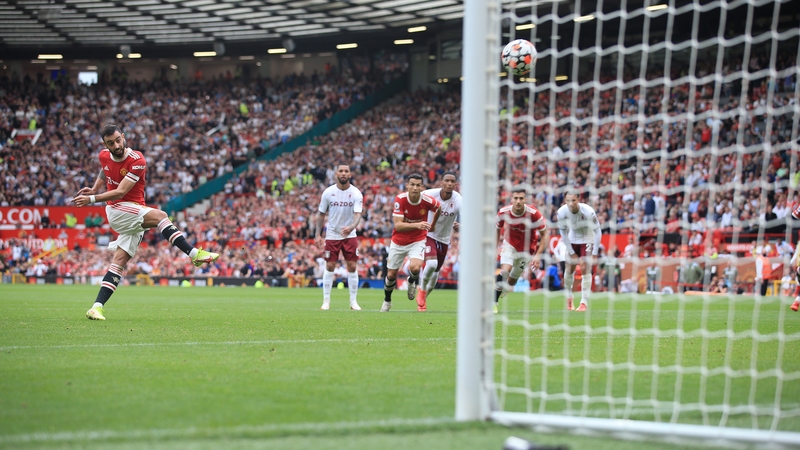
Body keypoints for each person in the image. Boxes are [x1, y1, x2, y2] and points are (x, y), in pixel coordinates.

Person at [72, 124, 219, 321]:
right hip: (117, 210)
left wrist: (93, 195)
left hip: (131, 211)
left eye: (118, 140)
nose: (116, 145)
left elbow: (120, 189)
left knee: (119, 262)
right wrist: (94, 189)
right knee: (160, 216)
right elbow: (106, 172)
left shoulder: (137, 160)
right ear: (104, 144)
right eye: (110, 143)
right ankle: (194, 254)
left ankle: (96, 307)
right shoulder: (104, 154)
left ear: (123, 137)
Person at [381, 173, 440, 312]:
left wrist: (433, 224)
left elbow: (439, 208)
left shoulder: (427, 200)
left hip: (417, 239)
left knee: (415, 267)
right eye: (412, 184)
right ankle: (387, 300)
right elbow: (398, 226)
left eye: (418, 185)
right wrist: (418, 224)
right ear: (407, 185)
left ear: (422, 187)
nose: (414, 187)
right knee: (390, 276)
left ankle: (412, 281)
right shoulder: (400, 199)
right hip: (398, 241)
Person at [315, 163, 364, 311]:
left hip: (350, 235)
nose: (343, 173)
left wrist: (351, 227)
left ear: (350, 174)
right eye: (341, 171)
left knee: (352, 266)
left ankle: (353, 302)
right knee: (330, 265)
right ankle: (326, 301)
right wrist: (318, 234)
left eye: (346, 171)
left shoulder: (356, 193)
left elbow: (358, 215)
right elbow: (321, 214)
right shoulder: (328, 192)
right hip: (332, 234)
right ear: (336, 174)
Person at [494, 186, 548, 314]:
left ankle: (505, 286)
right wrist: (496, 248)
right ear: (511, 199)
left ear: (526, 199)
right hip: (510, 244)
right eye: (516, 198)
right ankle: (493, 303)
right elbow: (496, 229)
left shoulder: (534, 214)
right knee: (504, 271)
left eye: (521, 198)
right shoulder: (503, 212)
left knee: (512, 281)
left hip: (527, 250)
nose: (518, 201)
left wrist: (538, 255)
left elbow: (545, 235)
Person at [417, 171, 462, 311]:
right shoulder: (429, 194)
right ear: (441, 183)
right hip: (429, 234)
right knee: (431, 264)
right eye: (446, 181)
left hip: (444, 239)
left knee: (435, 274)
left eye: (452, 181)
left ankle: (423, 298)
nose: (449, 184)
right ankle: (421, 291)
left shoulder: (458, 200)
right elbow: (413, 201)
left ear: (455, 184)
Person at [556, 191, 602, 311]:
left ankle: (584, 303)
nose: (571, 203)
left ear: (579, 199)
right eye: (568, 201)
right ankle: (569, 298)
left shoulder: (588, 211)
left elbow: (598, 231)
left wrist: (595, 253)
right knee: (569, 269)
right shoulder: (561, 212)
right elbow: (563, 232)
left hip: (587, 238)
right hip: (572, 239)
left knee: (584, 267)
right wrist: (571, 252)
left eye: (573, 200)